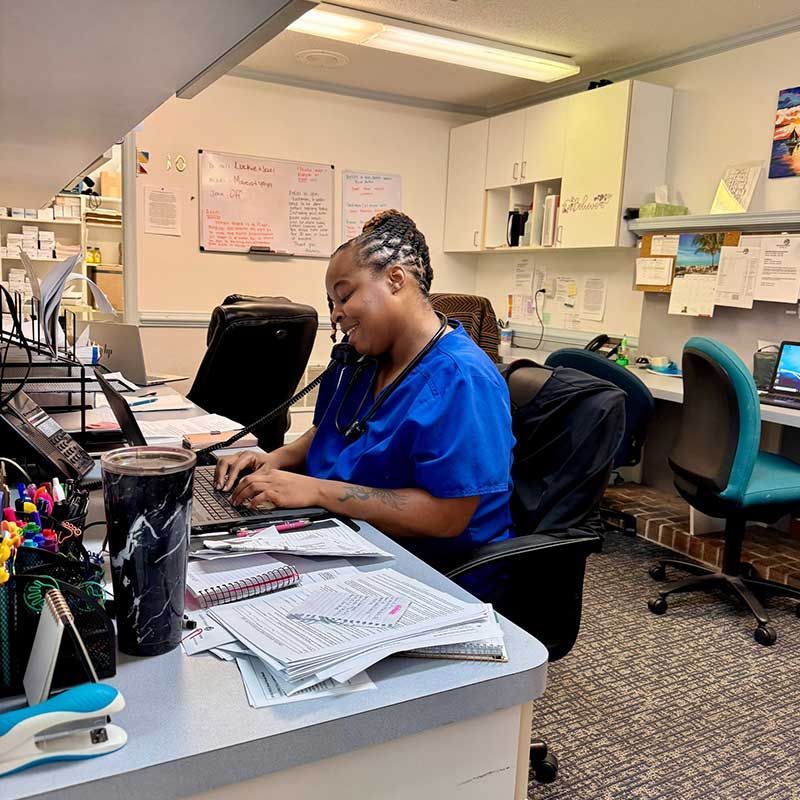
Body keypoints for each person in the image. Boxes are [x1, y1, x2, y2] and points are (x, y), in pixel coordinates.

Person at [214, 210, 514, 568]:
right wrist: (275, 459)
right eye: (332, 304)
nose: (336, 315)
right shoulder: (367, 361)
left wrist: (314, 490)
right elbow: (332, 429)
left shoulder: (462, 378)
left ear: (395, 279)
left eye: (344, 296)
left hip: (430, 567)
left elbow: (447, 516)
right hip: (349, 533)